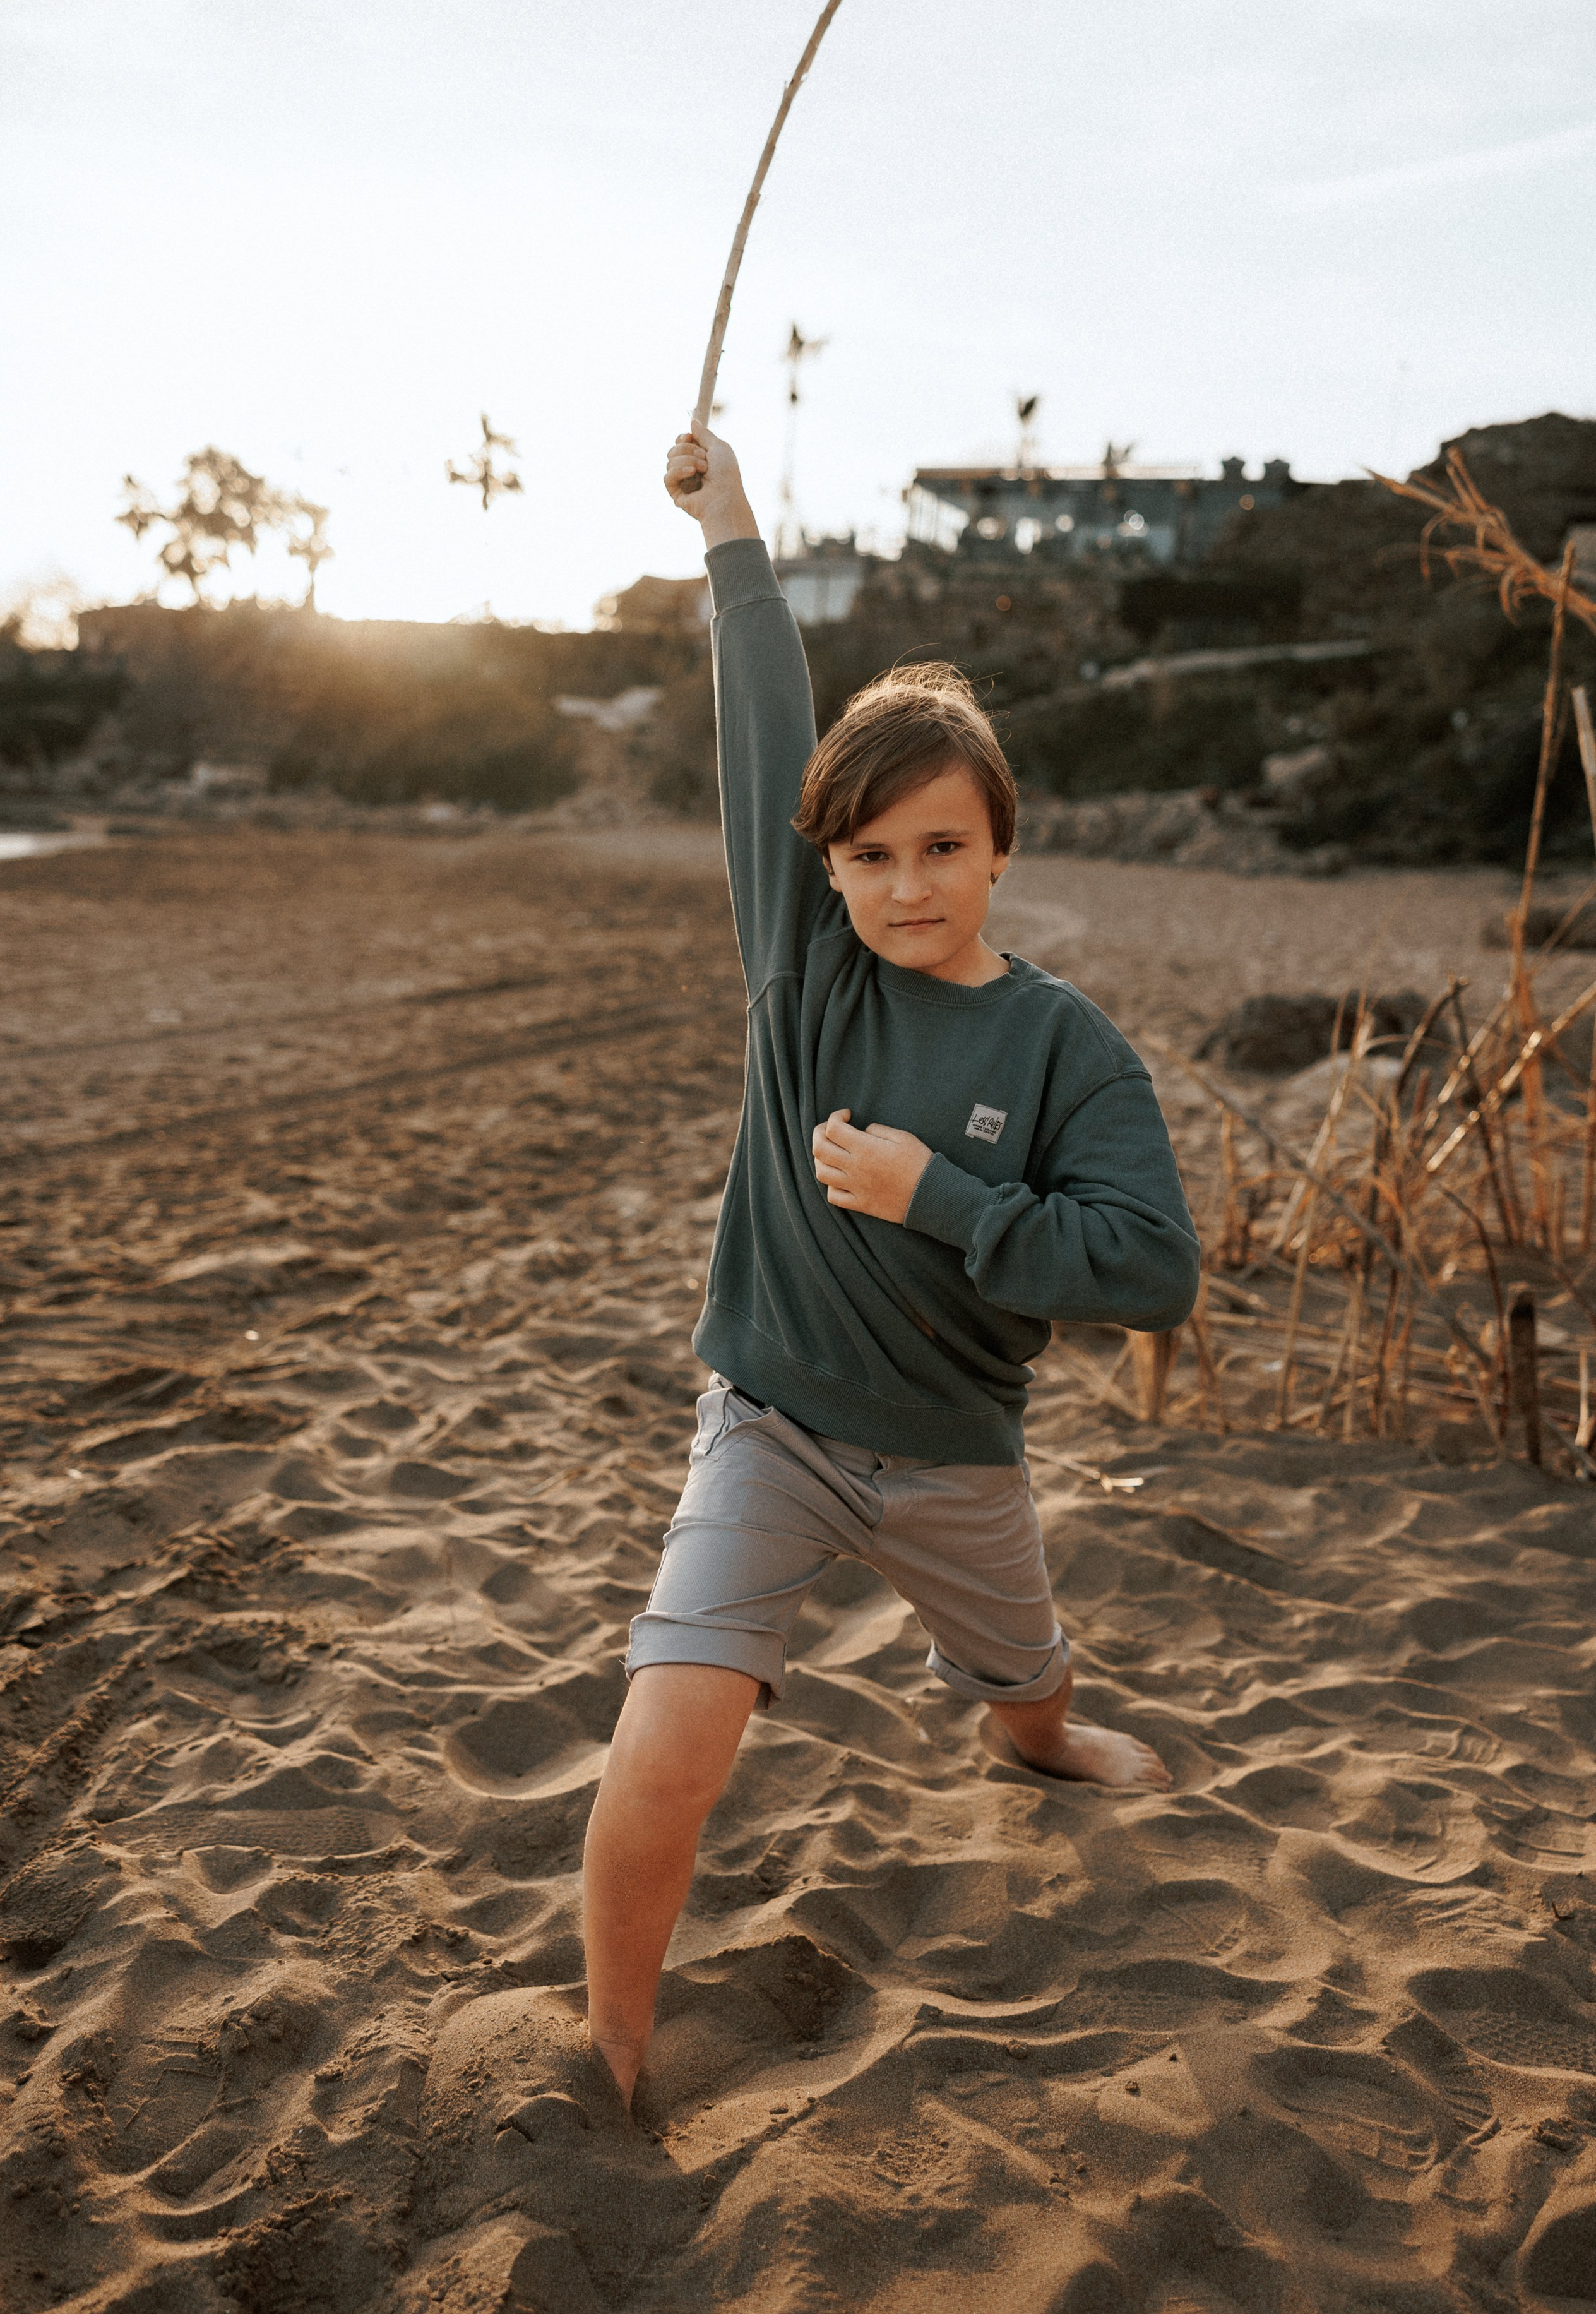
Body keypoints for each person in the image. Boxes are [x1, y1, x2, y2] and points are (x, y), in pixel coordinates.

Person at [581, 423, 1200, 2107]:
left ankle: (1042, 1739)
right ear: (825, 866)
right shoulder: (803, 975)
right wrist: (733, 531)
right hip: (770, 1428)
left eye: (939, 846)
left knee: (1026, 1679)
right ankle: (613, 2053)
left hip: (952, 1454)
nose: (904, 884)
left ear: (1001, 846)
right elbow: (764, 723)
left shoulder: (1069, 1048)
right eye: (866, 855)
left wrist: (947, 1200)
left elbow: (1153, 1271)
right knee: (669, 1737)